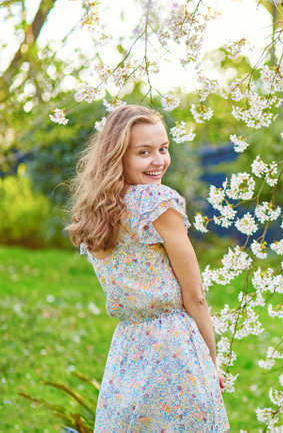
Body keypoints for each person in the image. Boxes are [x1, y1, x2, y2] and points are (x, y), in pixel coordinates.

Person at [64, 104, 230, 432]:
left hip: (129, 348)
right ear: (118, 156)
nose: (158, 161)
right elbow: (194, 295)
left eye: (163, 149)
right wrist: (210, 363)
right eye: (144, 152)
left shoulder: (97, 212)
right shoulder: (158, 203)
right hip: (175, 347)